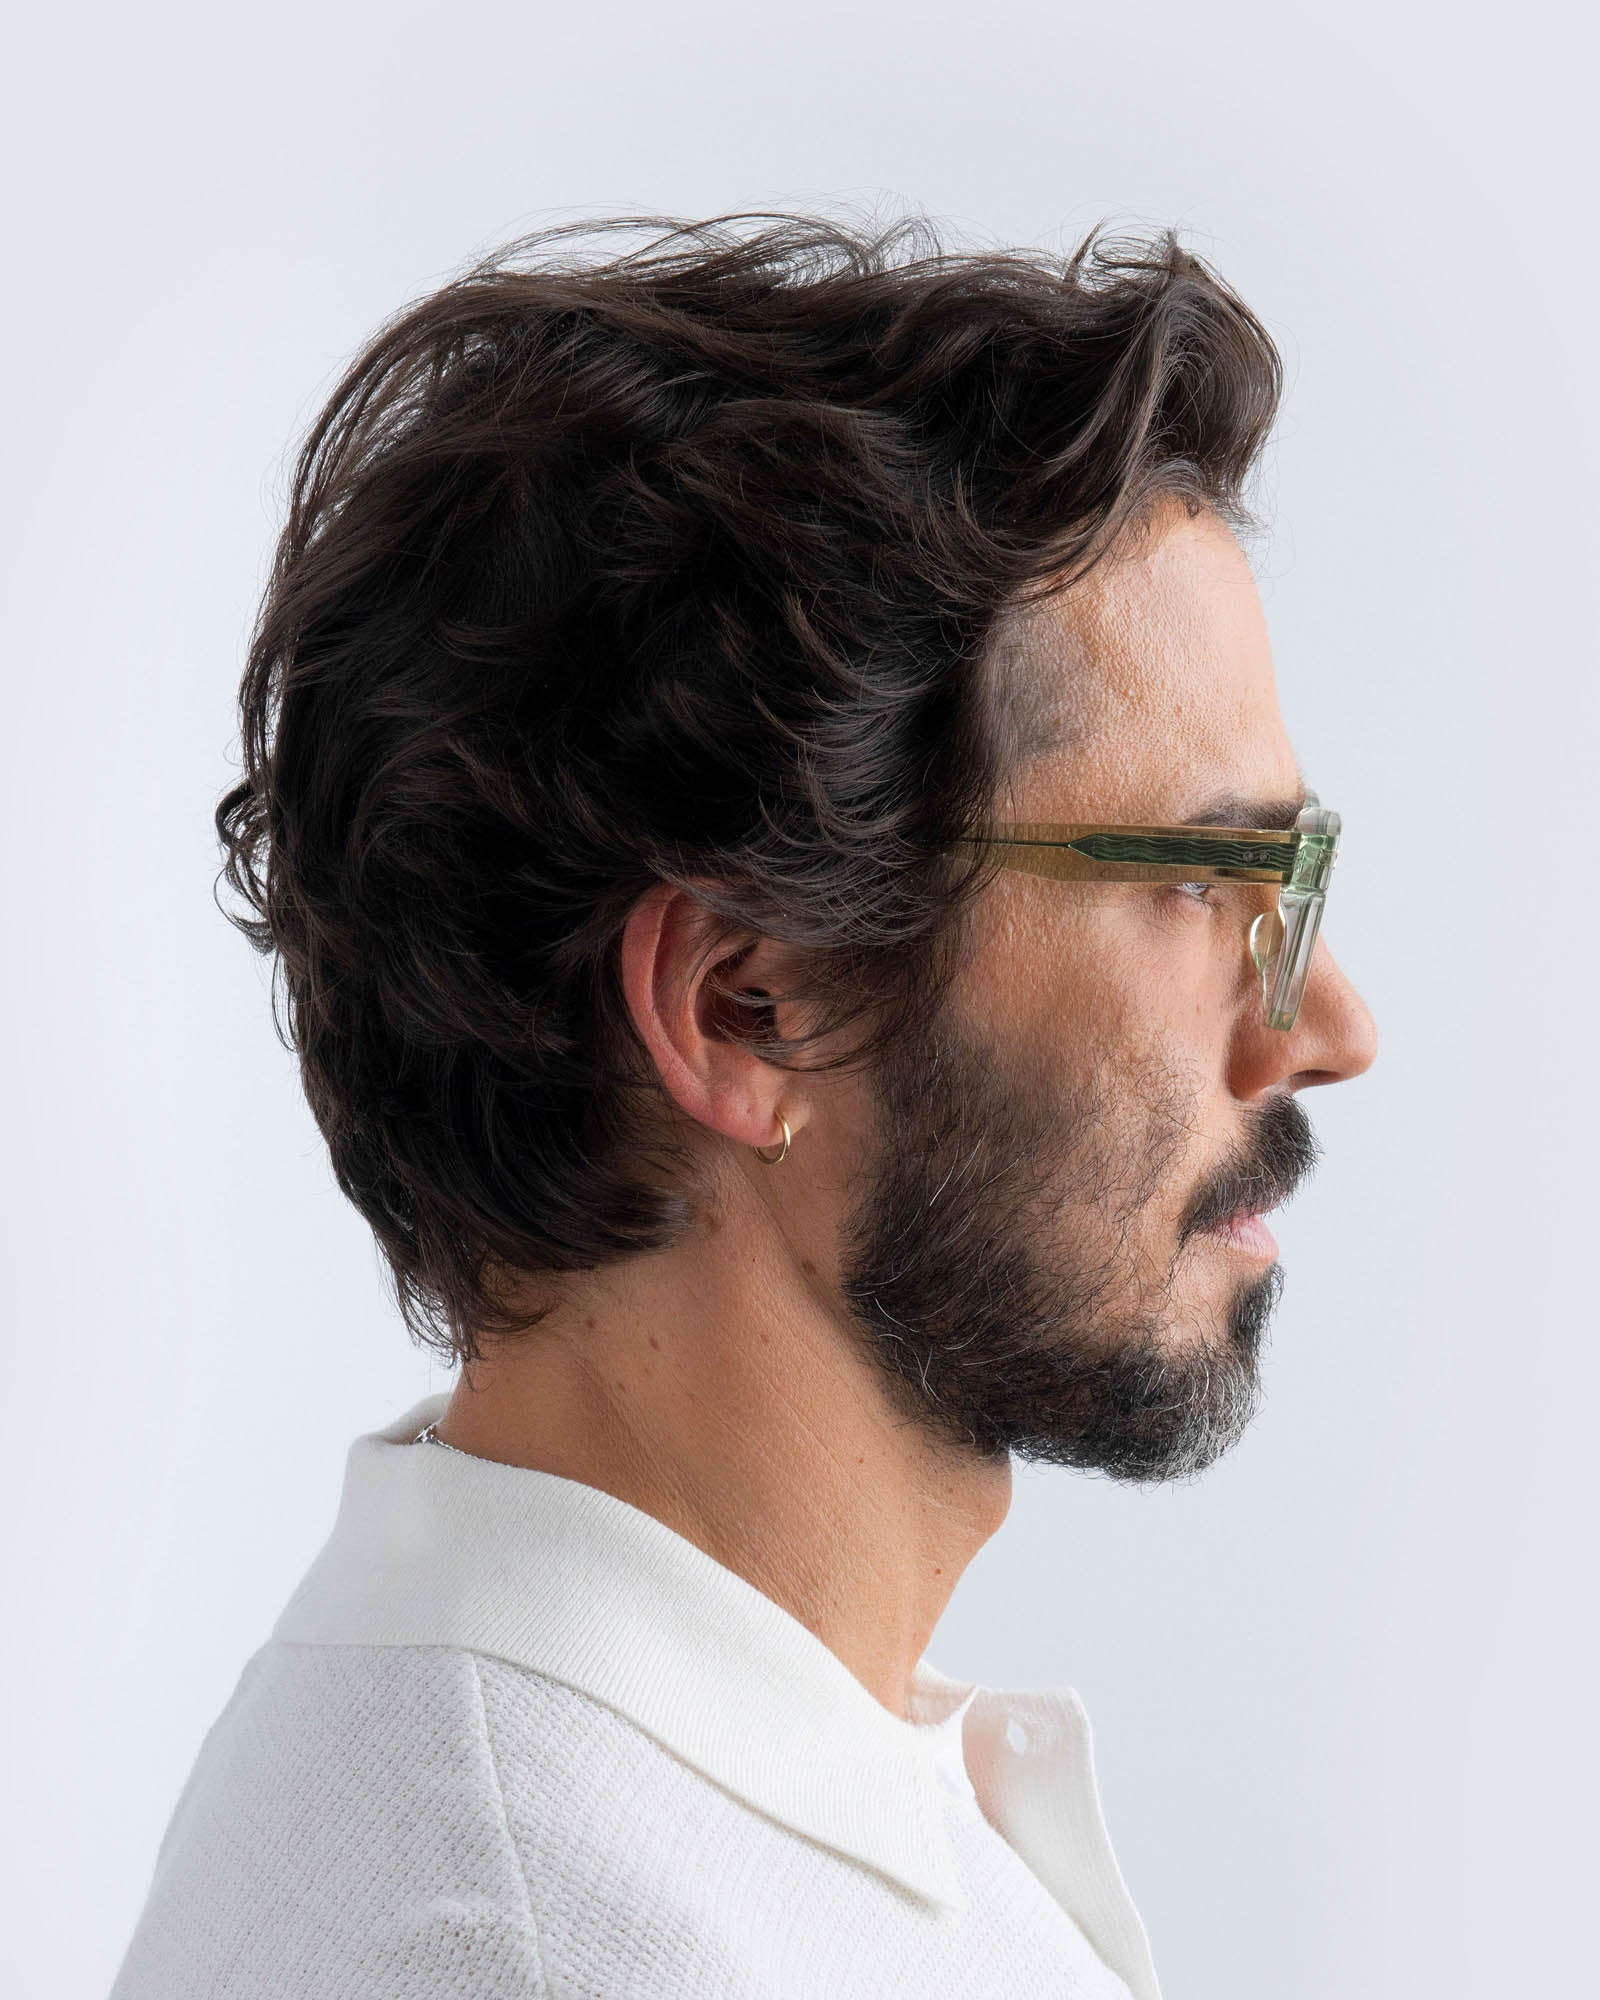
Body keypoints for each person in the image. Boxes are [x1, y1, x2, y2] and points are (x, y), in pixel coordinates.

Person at [110, 212, 1377, 1999]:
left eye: (1294, 880)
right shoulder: (545, 1946)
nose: (1325, 1023)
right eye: (1205, 881)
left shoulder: (703, 1808)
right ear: (744, 1006)